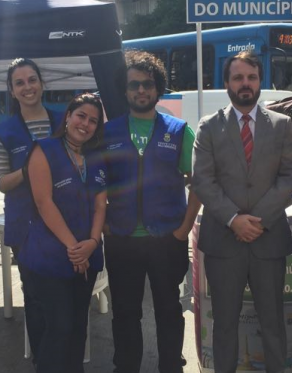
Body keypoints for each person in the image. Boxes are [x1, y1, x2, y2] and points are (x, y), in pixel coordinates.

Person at [192, 51, 292, 373]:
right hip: (224, 242)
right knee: (224, 323)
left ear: (259, 81)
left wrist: (257, 221)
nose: (245, 84)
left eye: (251, 77)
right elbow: (203, 180)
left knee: (273, 322)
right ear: (226, 83)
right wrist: (234, 220)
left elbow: (289, 177)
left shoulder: (282, 125)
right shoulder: (209, 127)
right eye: (238, 78)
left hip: (268, 242)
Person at [102, 50, 201, 373]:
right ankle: (126, 366)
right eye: (134, 85)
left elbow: (199, 182)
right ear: (125, 90)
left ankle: (171, 365)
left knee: (169, 310)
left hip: (166, 238)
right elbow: (94, 184)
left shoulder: (178, 130)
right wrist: (103, 225)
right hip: (122, 238)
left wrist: (183, 230)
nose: (141, 90)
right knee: (125, 312)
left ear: (158, 89)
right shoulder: (108, 133)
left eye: (147, 84)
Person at [21, 93, 106, 373]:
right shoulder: (43, 150)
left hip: (87, 256)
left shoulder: (95, 157)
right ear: (68, 116)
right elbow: (44, 202)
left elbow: (99, 204)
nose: (86, 124)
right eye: (81, 115)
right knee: (59, 327)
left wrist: (92, 243)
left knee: (78, 327)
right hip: (50, 257)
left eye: (93, 121)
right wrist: (74, 247)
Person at [0, 57, 62, 363]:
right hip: (26, 229)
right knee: (34, 298)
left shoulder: (64, 121)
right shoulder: (4, 131)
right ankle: (43, 362)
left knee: (65, 296)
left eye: (32, 80)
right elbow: (0, 182)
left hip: (65, 223)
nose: (27, 87)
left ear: (42, 83)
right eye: (19, 83)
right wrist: (29, 170)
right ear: (11, 90)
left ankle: (66, 361)